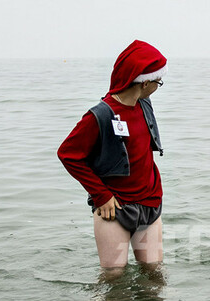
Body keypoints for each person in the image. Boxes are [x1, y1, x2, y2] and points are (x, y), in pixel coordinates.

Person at [58, 40, 168, 270]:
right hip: (114, 208)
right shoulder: (99, 115)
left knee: (154, 271)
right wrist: (101, 195)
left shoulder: (144, 105)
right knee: (113, 276)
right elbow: (67, 154)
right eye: (158, 82)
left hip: (150, 202)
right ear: (144, 82)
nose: (159, 86)